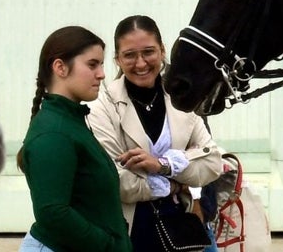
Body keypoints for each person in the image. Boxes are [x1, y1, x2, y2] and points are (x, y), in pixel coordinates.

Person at [88, 15, 223, 251]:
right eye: (129, 55)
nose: (140, 63)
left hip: (185, 231)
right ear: (117, 59)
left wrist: (162, 164)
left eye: (148, 52)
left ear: (162, 50)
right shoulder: (103, 107)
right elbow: (113, 181)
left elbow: (212, 163)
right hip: (130, 233)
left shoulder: (183, 98)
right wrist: (174, 185)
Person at [17, 26, 133, 252]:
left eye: (101, 64)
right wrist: (108, 245)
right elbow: (53, 212)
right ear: (60, 67)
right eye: (92, 64)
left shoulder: (71, 121)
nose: (101, 73)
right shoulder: (55, 132)